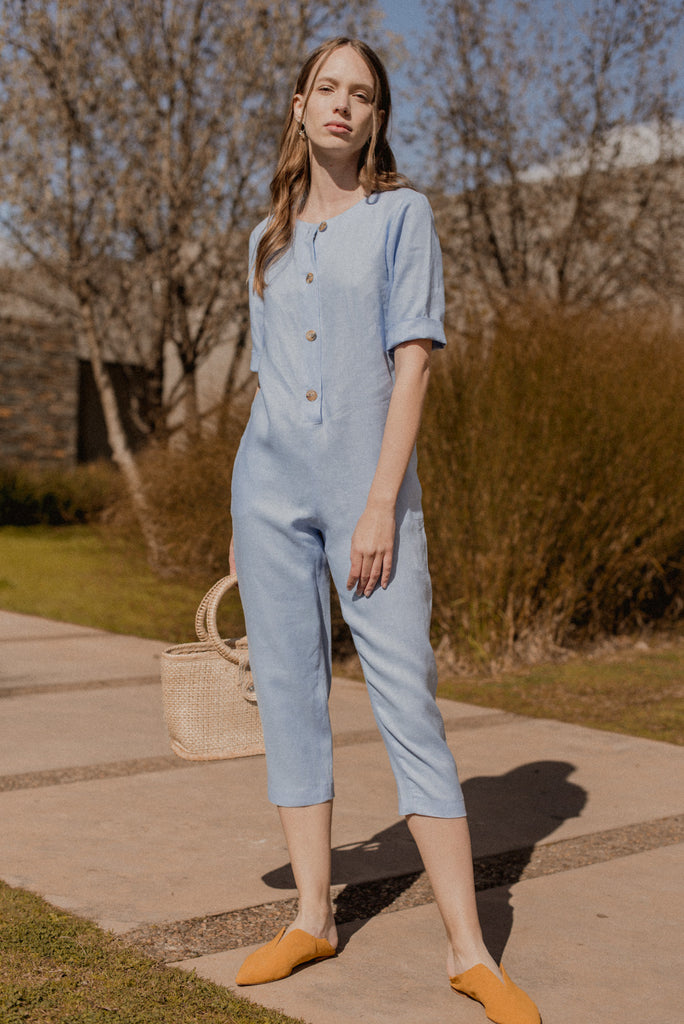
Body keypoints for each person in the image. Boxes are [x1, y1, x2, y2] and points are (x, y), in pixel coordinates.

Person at [229, 36, 540, 1024]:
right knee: (291, 697)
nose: (341, 104)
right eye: (326, 88)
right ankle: (313, 916)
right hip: (266, 493)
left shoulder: (403, 216)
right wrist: (238, 520)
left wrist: (377, 503)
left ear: (376, 117)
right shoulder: (265, 239)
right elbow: (267, 384)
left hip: (371, 498)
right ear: (299, 105)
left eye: (360, 94)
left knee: (408, 700)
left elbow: (415, 362)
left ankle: (469, 950)